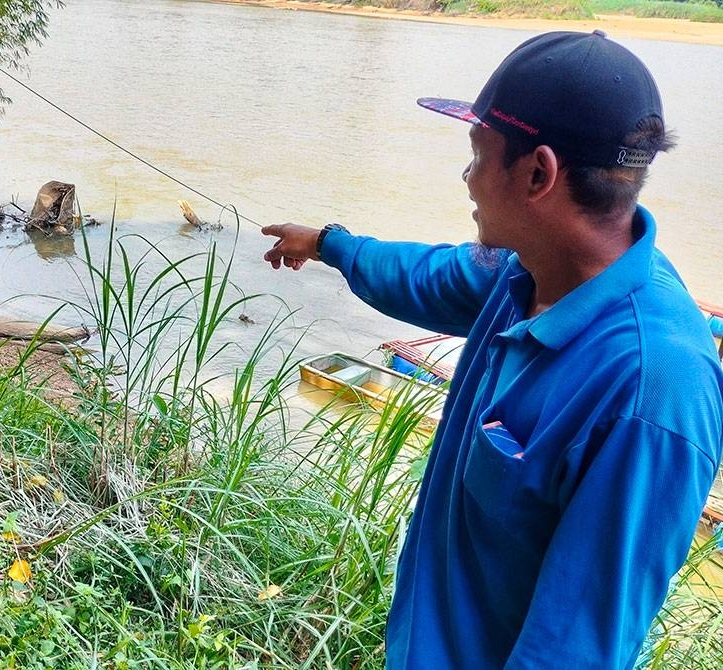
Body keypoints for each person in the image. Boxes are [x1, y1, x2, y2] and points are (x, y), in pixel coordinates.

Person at [262, 31, 723, 669]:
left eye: (478, 154)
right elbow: (425, 275)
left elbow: (576, 649)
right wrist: (328, 244)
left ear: (538, 173)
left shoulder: (652, 389)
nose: (468, 177)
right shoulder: (526, 271)